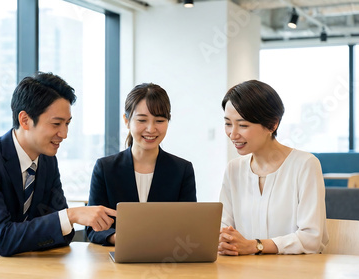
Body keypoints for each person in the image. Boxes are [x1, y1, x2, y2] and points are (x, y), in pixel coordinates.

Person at [0, 72, 116, 270]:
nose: (64, 134)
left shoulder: (47, 162)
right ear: (25, 120)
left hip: (8, 269)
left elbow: (63, 234)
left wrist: (16, 243)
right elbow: (4, 237)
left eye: (67, 124)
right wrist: (70, 216)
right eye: (56, 124)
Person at [218, 80, 328, 256]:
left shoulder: (305, 164)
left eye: (243, 125)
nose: (233, 133)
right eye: (228, 123)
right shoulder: (234, 169)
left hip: (295, 272)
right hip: (242, 271)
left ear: (272, 124)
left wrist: (255, 246)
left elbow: (311, 239)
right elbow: (223, 229)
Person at [87, 83, 197, 246]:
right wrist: (120, 238)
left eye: (159, 120)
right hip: (117, 260)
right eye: (142, 120)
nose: (151, 129)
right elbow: (93, 228)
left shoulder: (182, 170)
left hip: (165, 260)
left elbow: (190, 226)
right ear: (127, 120)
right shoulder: (105, 168)